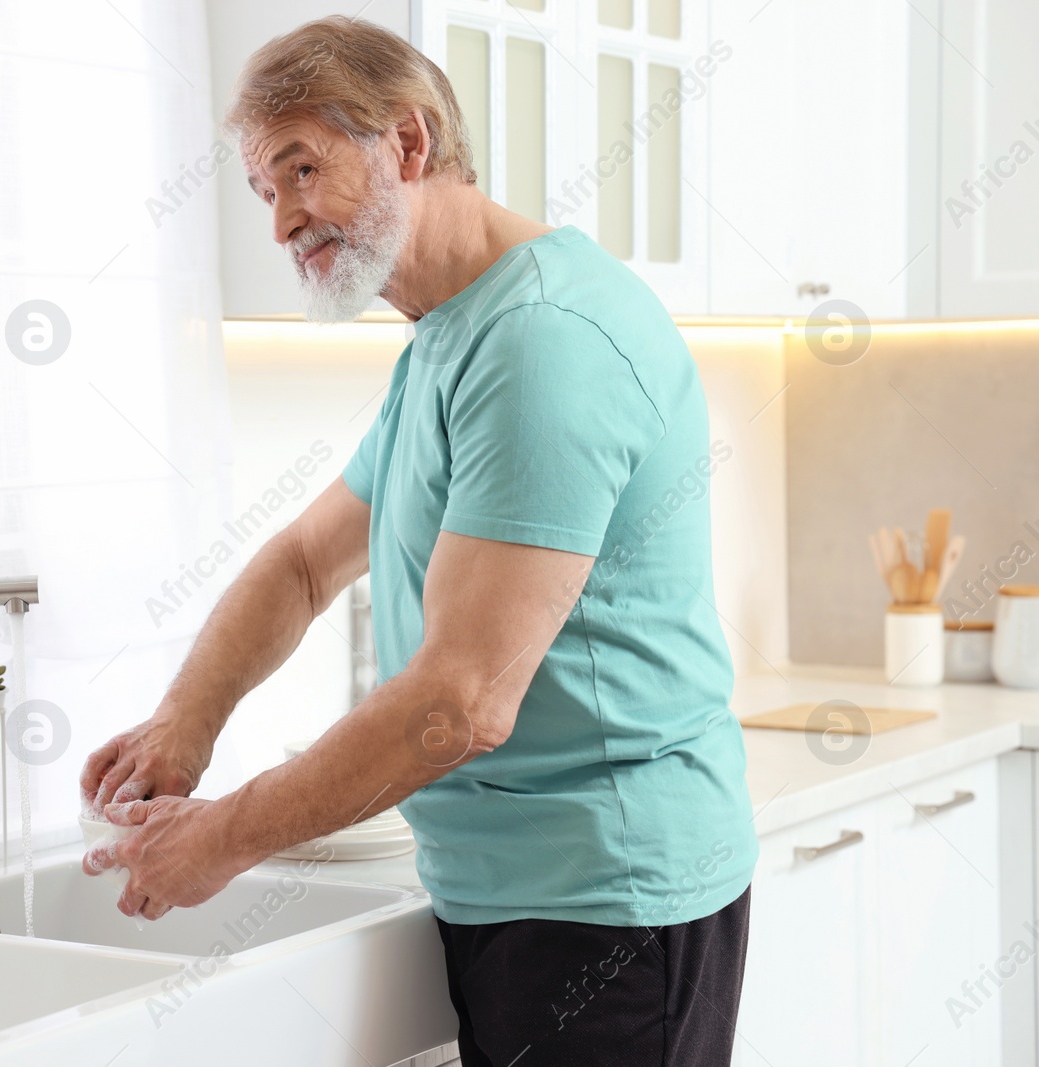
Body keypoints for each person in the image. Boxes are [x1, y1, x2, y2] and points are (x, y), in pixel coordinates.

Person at [80, 16, 756, 1065]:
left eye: (301, 169)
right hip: (519, 891)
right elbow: (304, 563)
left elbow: (461, 699)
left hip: (605, 901)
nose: (281, 223)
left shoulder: (543, 341)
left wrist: (218, 838)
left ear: (406, 143)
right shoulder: (453, 334)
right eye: (264, 190)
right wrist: (184, 722)